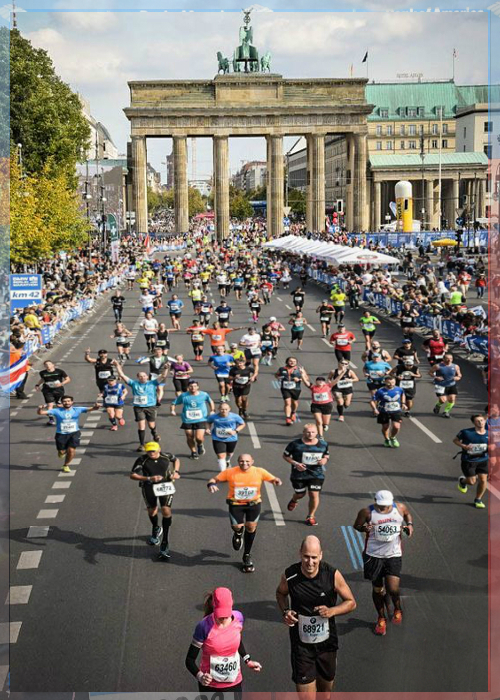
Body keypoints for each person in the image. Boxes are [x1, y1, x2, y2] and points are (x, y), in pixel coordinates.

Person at [276, 536, 356, 695]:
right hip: (302, 647)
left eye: (314, 557)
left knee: (324, 693)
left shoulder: (331, 575)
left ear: (321, 555)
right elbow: (280, 593)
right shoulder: (290, 575)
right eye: (306, 556)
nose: (310, 562)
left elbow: (351, 602)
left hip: (327, 646)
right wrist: (285, 611)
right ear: (300, 554)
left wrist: (332, 611)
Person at [207, 454, 282, 572]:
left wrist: (276, 481)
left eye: (247, 461)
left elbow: (272, 478)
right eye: (241, 461)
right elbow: (214, 479)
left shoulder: (259, 471)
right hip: (236, 504)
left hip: (254, 504)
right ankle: (238, 533)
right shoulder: (230, 472)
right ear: (238, 462)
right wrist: (211, 484)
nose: (244, 463)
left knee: (251, 527)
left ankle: (247, 555)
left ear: (252, 461)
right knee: (237, 526)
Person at [353, 490, 413, 636]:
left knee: (393, 588)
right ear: (375, 501)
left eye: (386, 506)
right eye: (380, 506)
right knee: (378, 590)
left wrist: (409, 525)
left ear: (391, 502)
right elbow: (356, 525)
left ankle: (397, 608)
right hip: (373, 555)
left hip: (393, 554)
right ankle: (381, 618)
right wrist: (364, 528)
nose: (383, 509)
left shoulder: (400, 508)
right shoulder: (367, 512)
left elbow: (407, 515)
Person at [185, 587, 262, 696]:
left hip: (234, 683)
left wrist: (247, 660)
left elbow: (237, 640)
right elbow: (189, 660)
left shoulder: (238, 618)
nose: (223, 619)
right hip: (210, 686)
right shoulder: (203, 627)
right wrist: (201, 677)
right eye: (220, 615)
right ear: (213, 605)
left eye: (226, 615)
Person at [130, 441, 180, 559]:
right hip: (148, 486)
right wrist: (149, 478)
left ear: (159, 450)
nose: (151, 453)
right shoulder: (142, 460)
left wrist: (176, 472)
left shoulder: (166, 456)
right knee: (152, 511)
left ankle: (165, 542)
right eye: (149, 451)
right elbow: (132, 475)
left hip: (165, 486)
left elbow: (176, 460)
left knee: (166, 510)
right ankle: (156, 528)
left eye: (153, 450)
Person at [37, 395, 100, 472]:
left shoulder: (77, 409)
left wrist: (96, 406)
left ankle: (66, 465)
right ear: (62, 403)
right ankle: (61, 452)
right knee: (62, 451)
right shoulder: (56, 411)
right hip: (61, 434)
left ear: (72, 402)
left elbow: (93, 409)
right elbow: (40, 413)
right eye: (65, 401)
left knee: (71, 450)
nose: (67, 403)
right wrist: (40, 408)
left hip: (74, 433)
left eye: (68, 401)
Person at [113, 362, 168, 451]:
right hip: (139, 407)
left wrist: (165, 368)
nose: (142, 377)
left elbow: (163, 376)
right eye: (140, 376)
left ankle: (154, 433)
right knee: (141, 425)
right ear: (138, 378)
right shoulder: (134, 383)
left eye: (144, 376)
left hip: (150, 407)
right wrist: (117, 366)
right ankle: (142, 444)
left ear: (147, 377)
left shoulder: (152, 383)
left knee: (151, 425)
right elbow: (122, 375)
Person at [283, 424, 329, 526]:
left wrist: (324, 460)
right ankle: (294, 499)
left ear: (317, 433)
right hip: (298, 475)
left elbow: (326, 454)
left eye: (313, 432)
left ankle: (311, 516)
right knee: (300, 494)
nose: (310, 434)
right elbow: (285, 456)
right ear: (303, 432)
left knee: (314, 494)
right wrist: (296, 463)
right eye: (308, 432)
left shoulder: (323, 444)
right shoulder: (295, 444)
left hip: (316, 474)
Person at [454, 414, 489, 509]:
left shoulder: (489, 434)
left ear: (485, 421)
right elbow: (455, 440)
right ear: (474, 423)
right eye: (477, 421)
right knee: (472, 482)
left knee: (483, 479)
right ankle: (463, 481)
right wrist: (464, 446)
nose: (480, 422)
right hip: (469, 460)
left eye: (482, 420)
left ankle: (478, 499)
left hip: (483, 460)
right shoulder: (466, 432)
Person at [174, 379, 215, 459]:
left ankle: (200, 444)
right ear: (188, 387)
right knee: (189, 436)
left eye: (195, 386)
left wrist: (212, 410)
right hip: (187, 419)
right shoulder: (184, 395)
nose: (193, 388)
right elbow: (174, 403)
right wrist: (172, 410)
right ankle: (193, 452)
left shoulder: (204, 394)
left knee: (199, 438)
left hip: (201, 419)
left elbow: (210, 401)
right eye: (191, 386)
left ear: (198, 387)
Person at [207, 402, 246, 471]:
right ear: (219, 409)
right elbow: (208, 422)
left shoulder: (235, 416)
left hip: (231, 438)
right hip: (217, 438)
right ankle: (223, 473)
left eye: (226, 409)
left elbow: (242, 424)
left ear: (229, 409)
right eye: (222, 409)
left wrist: (235, 431)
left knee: (229, 453)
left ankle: (227, 460)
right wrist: (207, 429)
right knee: (221, 456)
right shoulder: (214, 417)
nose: (224, 411)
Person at [371, 376, 406, 448]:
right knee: (385, 427)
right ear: (385, 382)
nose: (391, 384)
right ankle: (387, 439)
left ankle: (392, 437)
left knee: (396, 426)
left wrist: (403, 403)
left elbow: (403, 395)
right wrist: (375, 409)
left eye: (393, 382)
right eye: (389, 383)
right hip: (384, 411)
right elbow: (372, 401)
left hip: (396, 410)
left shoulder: (399, 389)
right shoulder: (380, 391)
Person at [34, 361, 71, 425]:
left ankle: (65, 417)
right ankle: (51, 420)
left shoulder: (59, 371)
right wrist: (37, 385)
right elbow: (43, 379)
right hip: (47, 390)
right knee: (50, 405)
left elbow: (68, 379)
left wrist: (61, 384)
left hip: (59, 390)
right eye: (46, 365)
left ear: (53, 365)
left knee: (59, 405)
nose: (48, 366)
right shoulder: (42, 373)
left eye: (49, 364)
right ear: (44, 366)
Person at [276, 357, 308, 426]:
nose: (292, 362)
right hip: (285, 388)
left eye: (294, 361)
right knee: (287, 403)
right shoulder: (282, 369)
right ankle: (288, 418)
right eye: (290, 361)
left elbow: (306, 379)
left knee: (295, 402)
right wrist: (278, 377)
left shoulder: (299, 370)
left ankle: (293, 412)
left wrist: (299, 379)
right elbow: (276, 375)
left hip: (296, 388)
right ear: (287, 361)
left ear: (296, 362)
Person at [430, 353, 462, 418]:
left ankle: (446, 412)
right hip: (440, 385)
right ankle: (438, 405)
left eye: (451, 358)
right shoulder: (437, 366)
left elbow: (459, 375)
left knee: (452, 399)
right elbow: (430, 372)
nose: (449, 360)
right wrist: (436, 377)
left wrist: (457, 377)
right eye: (447, 358)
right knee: (443, 400)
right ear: (443, 359)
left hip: (451, 385)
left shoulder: (455, 366)